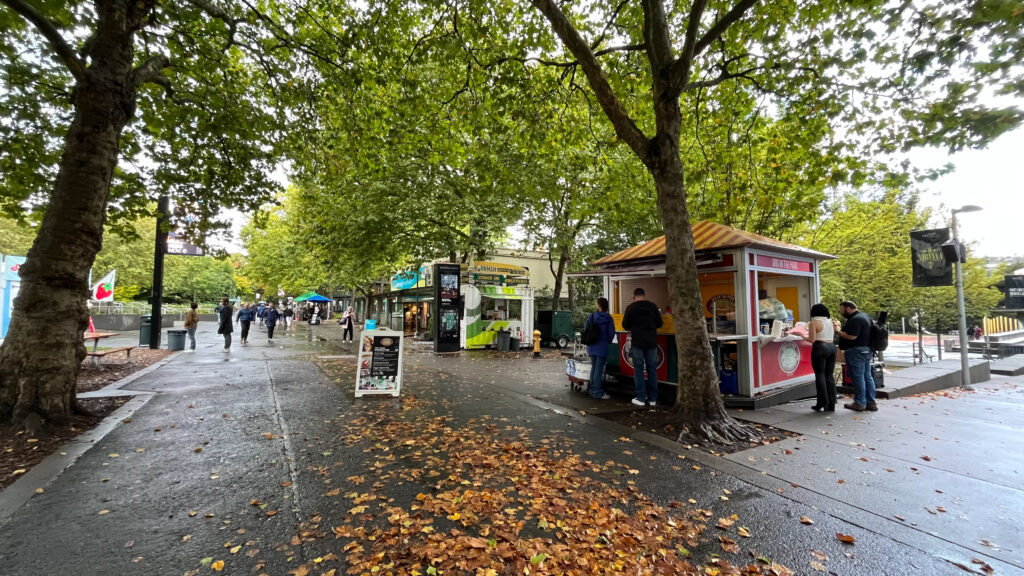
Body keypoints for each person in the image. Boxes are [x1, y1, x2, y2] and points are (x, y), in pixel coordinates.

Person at [622, 287, 663, 407]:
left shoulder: (631, 308)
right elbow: (660, 323)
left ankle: (640, 398)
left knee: (639, 371)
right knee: (652, 371)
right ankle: (653, 399)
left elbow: (625, 325)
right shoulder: (653, 306)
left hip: (637, 343)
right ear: (644, 296)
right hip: (651, 343)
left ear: (634, 297)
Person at [837, 300, 876, 412]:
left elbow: (852, 336)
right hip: (867, 350)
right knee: (867, 376)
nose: (841, 312)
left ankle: (859, 402)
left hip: (856, 352)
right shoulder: (865, 316)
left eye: (842, 309)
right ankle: (871, 402)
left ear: (848, 308)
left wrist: (838, 331)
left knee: (858, 377)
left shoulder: (855, 320)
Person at [803, 303, 836, 412]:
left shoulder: (814, 323)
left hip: (820, 348)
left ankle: (822, 402)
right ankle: (832, 403)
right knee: (829, 376)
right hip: (832, 348)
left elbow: (812, 339)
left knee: (820, 376)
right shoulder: (830, 322)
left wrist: (801, 335)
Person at [584, 297, 617, 400]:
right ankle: (597, 392)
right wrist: (607, 341)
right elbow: (611, 333)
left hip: (592, 345)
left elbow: (586, 328)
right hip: (602, 346)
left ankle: (591, 390)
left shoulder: (592, 316)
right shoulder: (608, 318)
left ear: (598, 305)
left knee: (594, 368)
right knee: (598, 369)